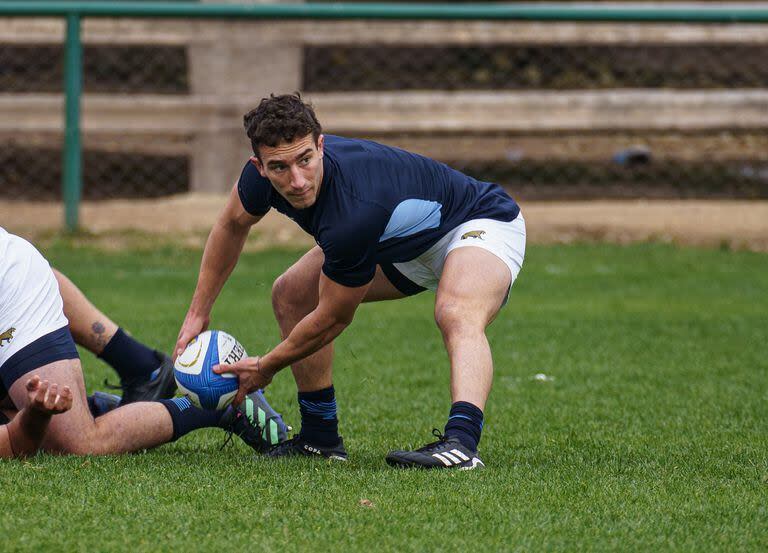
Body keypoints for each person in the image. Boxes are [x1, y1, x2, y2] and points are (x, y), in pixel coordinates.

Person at [175, 93, 526, 470]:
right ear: (258, 166)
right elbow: (231, 225)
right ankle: (320, 439)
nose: (296, 180)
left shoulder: (353, 213)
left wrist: (266, 365)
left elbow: (333, 318)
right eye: (279, 167)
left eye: (305, 160)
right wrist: (199, 312)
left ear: (320, 146)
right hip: (400, 244)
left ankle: (461, 444)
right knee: (291, 295)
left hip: (478, 221)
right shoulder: (262, 180)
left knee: (456, 311)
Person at [0, 226, 288, 457]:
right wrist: (35, 415)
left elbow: (15, 444)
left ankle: (211, 406)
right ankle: (137, 373)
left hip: (10, 283)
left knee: (76, 443)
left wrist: (35, 419)